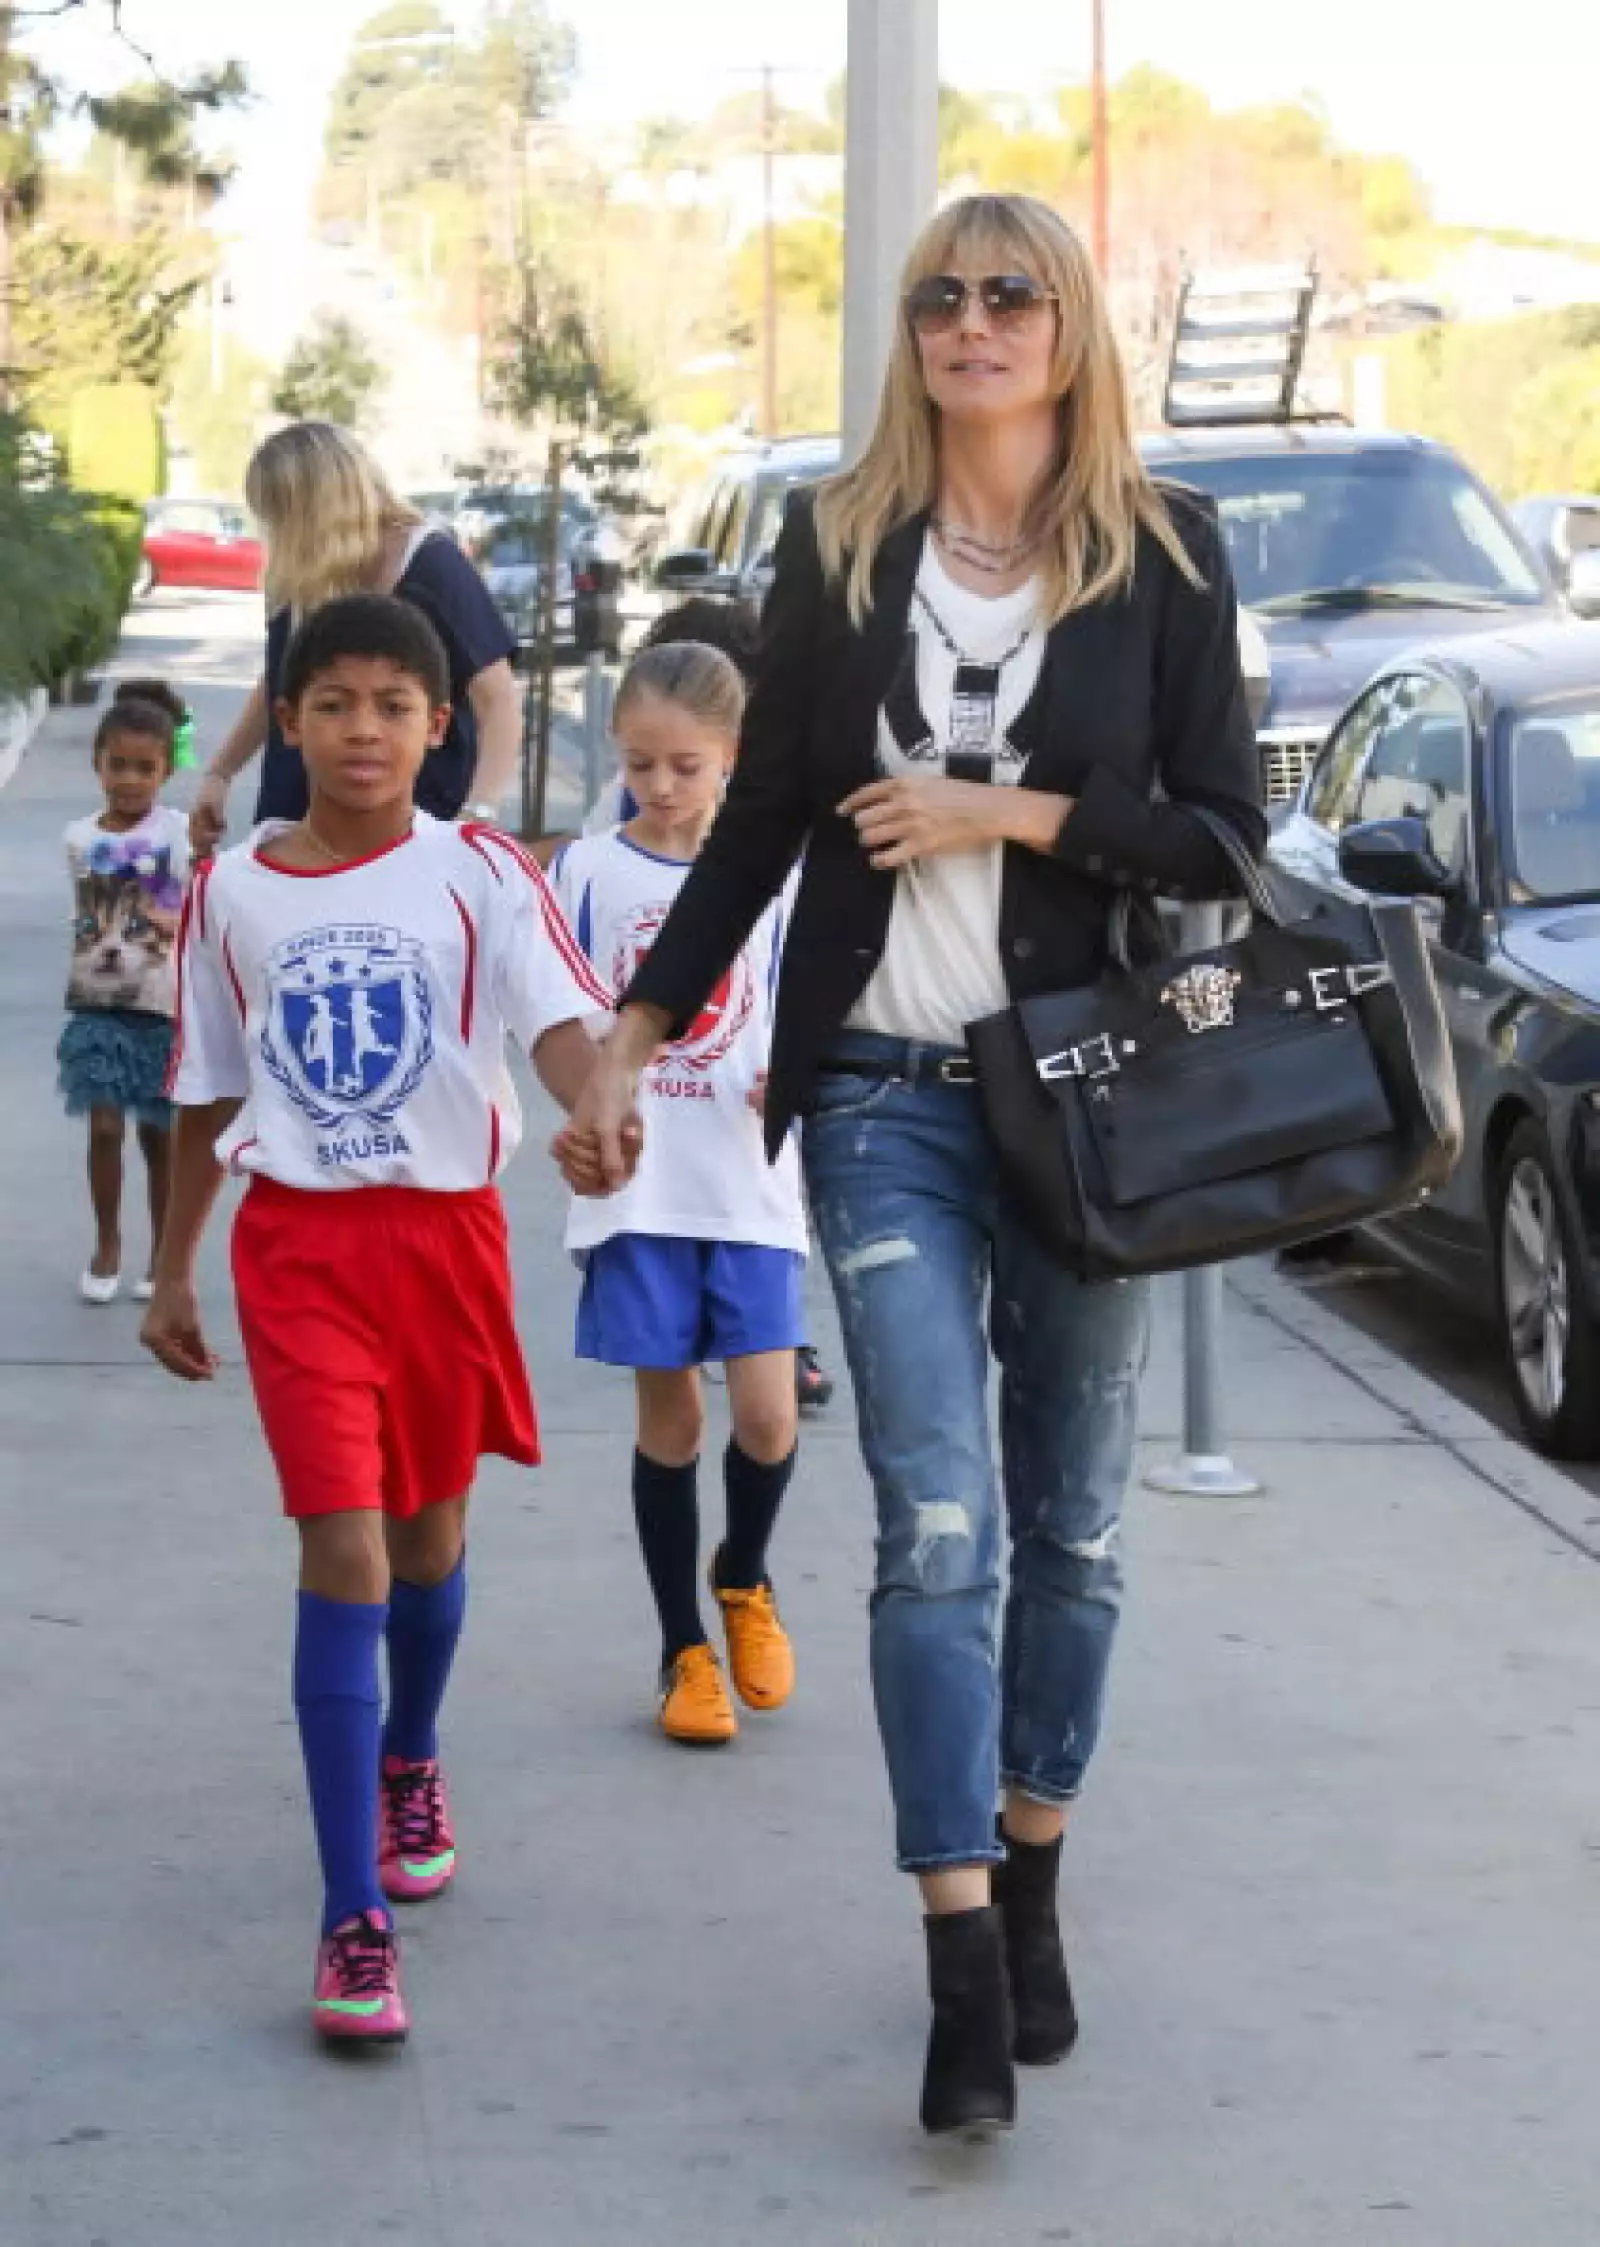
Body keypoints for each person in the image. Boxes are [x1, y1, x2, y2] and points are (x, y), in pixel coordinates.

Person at [560, 193, 1266, 2136]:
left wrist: (1003, 808)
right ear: (910, 332)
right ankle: (956, 1943)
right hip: (882, 1089)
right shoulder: (844, 540)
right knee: (935, 1518)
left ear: (1064, 324)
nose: (970, 321)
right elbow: (768, 810)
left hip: (1095, 1088)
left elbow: (1221, 837)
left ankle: (1031, 1853)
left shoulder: (1166, 552)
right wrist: (634, 1025)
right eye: (938, 296)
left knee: (1076, 1528)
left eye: (1006, 291)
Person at [142, 594, 623, 2049]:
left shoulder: (479, 869)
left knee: (428, 1535)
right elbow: (206, 1085)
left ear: (437, 725)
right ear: (287, 722)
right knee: (341, 1538)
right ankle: (351, 1910)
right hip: (298, 1249)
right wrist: (174, 1267)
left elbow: (554, 1021)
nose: (365, 729)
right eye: (335, 702)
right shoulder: (233, 892)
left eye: (393, 704)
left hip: (444, 1245)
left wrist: (591, 1106)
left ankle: (412, 1749)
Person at [550, 641, 804, 1747]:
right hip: (641, 1187)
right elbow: (559, 1009)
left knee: (766, 1413)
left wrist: (786, 1067)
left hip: (749, 1182)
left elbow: (812, 998)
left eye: (685, 766)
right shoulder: (590, 873)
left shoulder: (780, 875)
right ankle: (680, 1650)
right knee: (674, 1416)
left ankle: (741, 1576)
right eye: (641, 764)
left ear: (731, 761)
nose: (660, 787)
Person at [189, 422, 522, 856]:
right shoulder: (303, 570)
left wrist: (478, 817)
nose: (273, 532)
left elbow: (499, 700)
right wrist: (220, 773)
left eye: (278, 515)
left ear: (311, 509)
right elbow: (281, 679)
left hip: (410, 832)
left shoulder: (430, 566)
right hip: (300, 821)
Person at [58, 679, 191, 1303]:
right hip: (95, 1003)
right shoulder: (78, 837)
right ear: (98, 764)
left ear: (166, 769)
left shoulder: (182, 835)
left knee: (158, 1135)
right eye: (119, 766)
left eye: (146, 768)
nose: (132, 780)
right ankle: (106, 1241)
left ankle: (163, 1250)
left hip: (161, 1005)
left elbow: (194, 907)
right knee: (104, 1126)